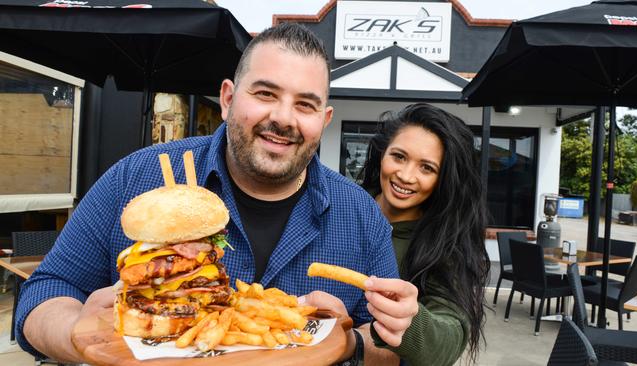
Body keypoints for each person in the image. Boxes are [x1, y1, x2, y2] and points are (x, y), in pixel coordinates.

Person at [15, 23, 409, 364]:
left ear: (323, 121)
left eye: (304, 104)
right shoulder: (135, 178)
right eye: (265, 94)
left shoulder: (360, 215)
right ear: (227, 99)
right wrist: (81, 332)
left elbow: (389, 350)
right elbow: (44, 294)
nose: (283, 119)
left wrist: (348, 341)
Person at [358, 103, 491, 366]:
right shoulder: (344, 206)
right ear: (382, 154)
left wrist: (409, 321)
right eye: (399, 156)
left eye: (426, 168)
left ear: (444, 180)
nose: (406, 176)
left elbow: (450, 336)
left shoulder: (446, 246)